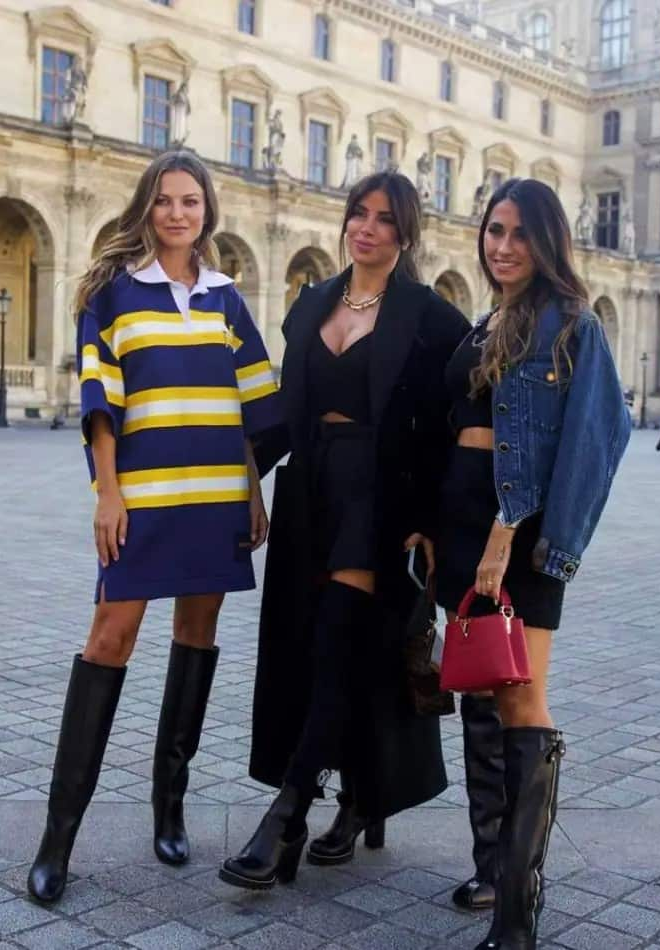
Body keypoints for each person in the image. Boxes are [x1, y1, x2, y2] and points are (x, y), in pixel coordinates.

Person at [27, 151, 281, 903]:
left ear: (208, 211)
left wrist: (253, 492)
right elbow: (100, 396)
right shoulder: (112, 293)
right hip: (140, 497)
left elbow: (254, 406)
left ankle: (169, 806)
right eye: (166, 200)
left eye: (191, 202)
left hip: (212, 497)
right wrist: (108, 494)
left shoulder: (227, 298)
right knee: (109, 638)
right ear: (147, 207)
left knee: (196, 640)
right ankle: (57, 840)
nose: (178, 213)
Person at [219, 171, 470, 890]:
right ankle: (360, 795)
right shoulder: (312, 304)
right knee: (315, 647)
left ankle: (288, 812)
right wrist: (246, 478)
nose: (366, 227)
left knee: (337, 641)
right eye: (358, 213)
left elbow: (452, 427)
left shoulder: (430, 317)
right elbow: (279, 410)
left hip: (378, 497)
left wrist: (429, 520)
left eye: (384, 219)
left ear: (406, 233)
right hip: (310, 490)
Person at [435, 178, 630, 950]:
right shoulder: (487, 322)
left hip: (514, 542)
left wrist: (511, 529)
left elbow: (598, 436)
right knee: (482, 694)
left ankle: (518, 919)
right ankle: (495, 874)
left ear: (548, 241)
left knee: (522, 704)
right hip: (460, 533)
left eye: (518, 233)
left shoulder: (570, 324)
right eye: (493, 229)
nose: (502, 245)